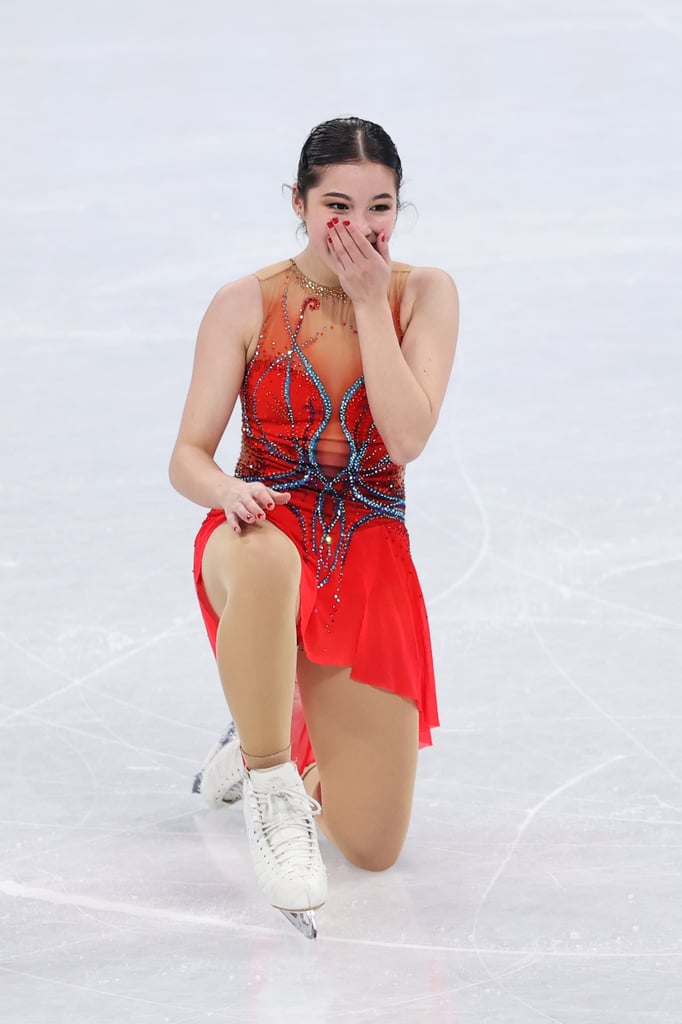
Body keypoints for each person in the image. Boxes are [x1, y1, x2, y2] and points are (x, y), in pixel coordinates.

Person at [169, 116, 459, 938]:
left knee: (373, 848)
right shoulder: (244, 302)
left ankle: (276, 735)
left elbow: (407, 437)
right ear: (297, 202)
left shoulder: (423, 295)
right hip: (261, 528)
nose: (361, 228)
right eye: (338, 204)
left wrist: (370, 303)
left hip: (369, 553)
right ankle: (269, 787)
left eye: (381, 207)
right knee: (263, 562)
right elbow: (187, 457)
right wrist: (226, 489)